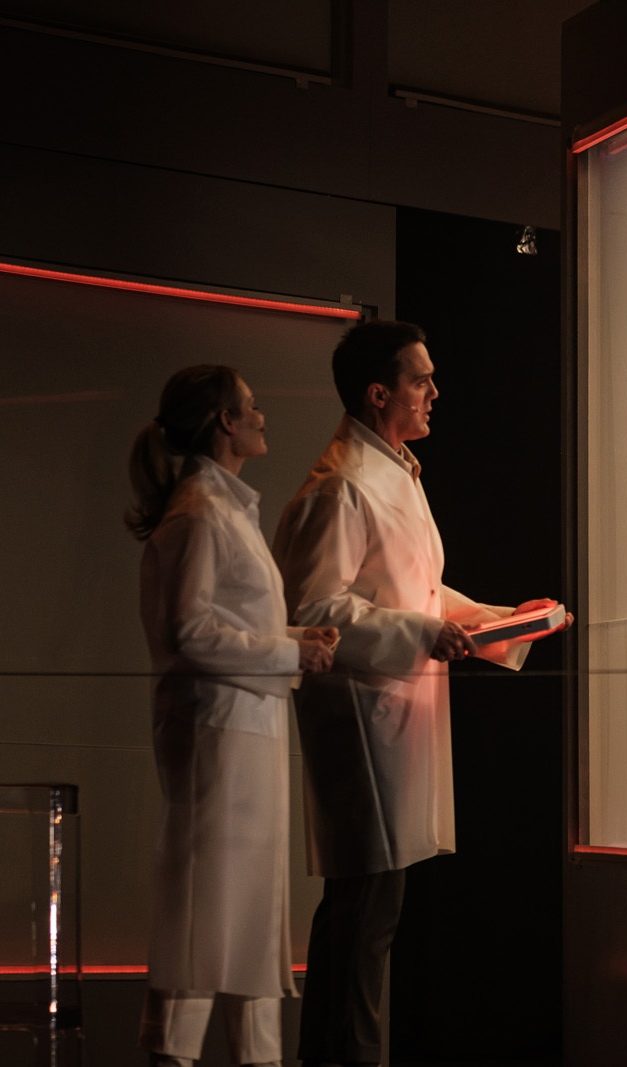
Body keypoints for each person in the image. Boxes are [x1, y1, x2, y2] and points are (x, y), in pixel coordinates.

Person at [272, 320, 540, 1067]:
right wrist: (425, 631)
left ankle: (340, 1054)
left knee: (368, 913)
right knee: (364, 913)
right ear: (378, 393)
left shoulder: (395, 471)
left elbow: (414, 587)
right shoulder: (341, 485)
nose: (434, 392)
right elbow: (315, 608)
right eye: (420, 380)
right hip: (362, 716)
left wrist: (495, 620)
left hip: (397, 712)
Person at [128, 365, 338, 1067]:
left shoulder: (220, 509)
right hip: (218, 733)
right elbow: (190, 631)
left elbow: (225, 624)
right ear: (224, 421)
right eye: (251, 406)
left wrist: (296, 642)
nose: (261, 416)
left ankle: (257, 1055)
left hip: (244, 730)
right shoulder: (199, 513)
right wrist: (288, 651)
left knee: (246, 912)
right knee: (204, 911)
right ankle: (175, 1052)